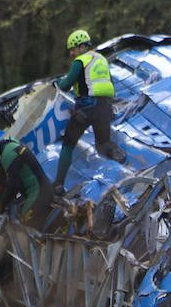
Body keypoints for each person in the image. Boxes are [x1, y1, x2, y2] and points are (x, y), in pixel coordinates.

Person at [52, 29, 127, 193]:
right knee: (103, 144)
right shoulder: (102, 60)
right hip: (104, 108)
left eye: (72, 49)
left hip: (85, 108)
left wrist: (56, 84)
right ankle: (117, 154)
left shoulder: (80, 61)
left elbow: (65, 85)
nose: (71, 53)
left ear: (81, 47)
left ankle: (58, 184)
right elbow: (110, 83)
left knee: (68, 144)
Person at [0, 130, 54, 231]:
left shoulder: (9, 154)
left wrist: (0, 205)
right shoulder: (9, 145)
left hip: (38, 194)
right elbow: (2, 177)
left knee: (23, 228)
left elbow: (13, 186)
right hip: (42, 189)